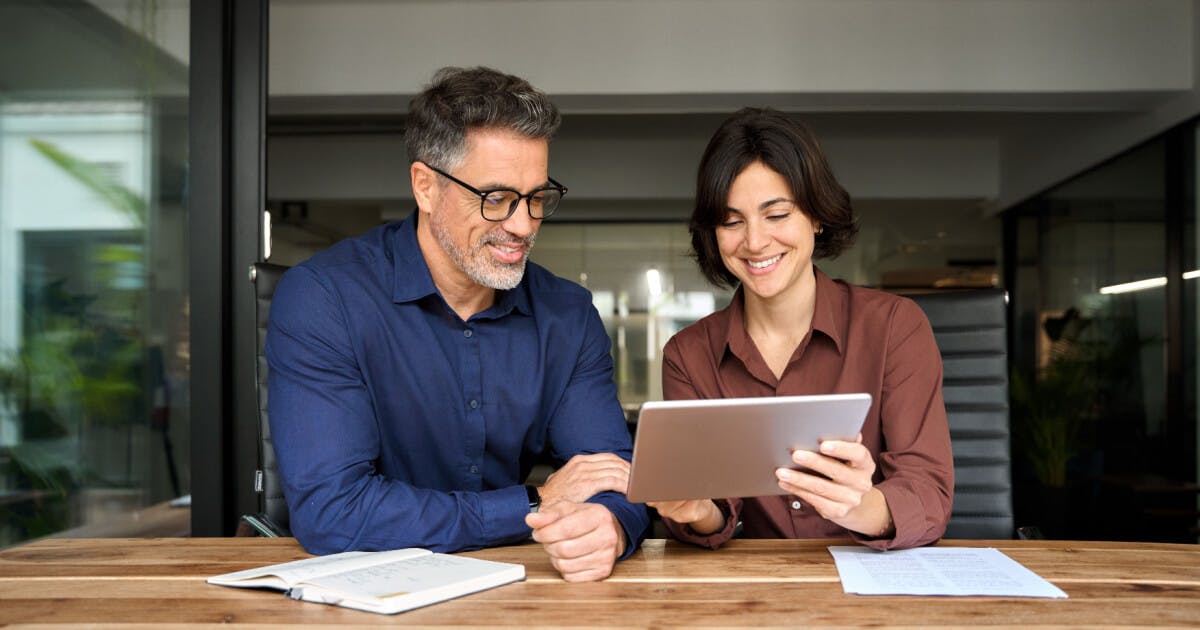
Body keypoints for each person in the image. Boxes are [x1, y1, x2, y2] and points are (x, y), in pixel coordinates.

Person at [266, 66, 648, 582]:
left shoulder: (567, 313)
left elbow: (617, 476)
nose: (523, 224)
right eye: (496, 198)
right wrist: (533, 502)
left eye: (537, 197)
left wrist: (609, 525)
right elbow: (334, 513)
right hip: (363, 598)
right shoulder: (324, 299)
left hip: (519, 593)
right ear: (425, 186)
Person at [647, 108, 953, 550]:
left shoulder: (893, 327)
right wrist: (696, 511)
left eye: (776, 214)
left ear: (816, 215)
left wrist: (859, 507)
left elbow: (928, 491)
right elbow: (714, 511)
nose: (754, 242)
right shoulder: (688, 355)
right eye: (732, 221)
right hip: (758, 595)